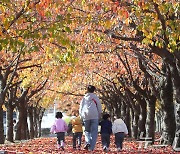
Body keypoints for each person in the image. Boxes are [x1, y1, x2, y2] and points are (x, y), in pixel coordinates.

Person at [79, 85, 102, 151]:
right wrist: (99, 114)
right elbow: (99, 107)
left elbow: (81, 107)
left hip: (86, 116)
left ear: (87, 90)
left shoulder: (84, 98)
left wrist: (81, 116)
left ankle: (88, 141)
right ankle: (91, 148)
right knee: (94, 132)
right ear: (94, 90)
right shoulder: (95, 97)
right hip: (94, 115)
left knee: (87, 131)